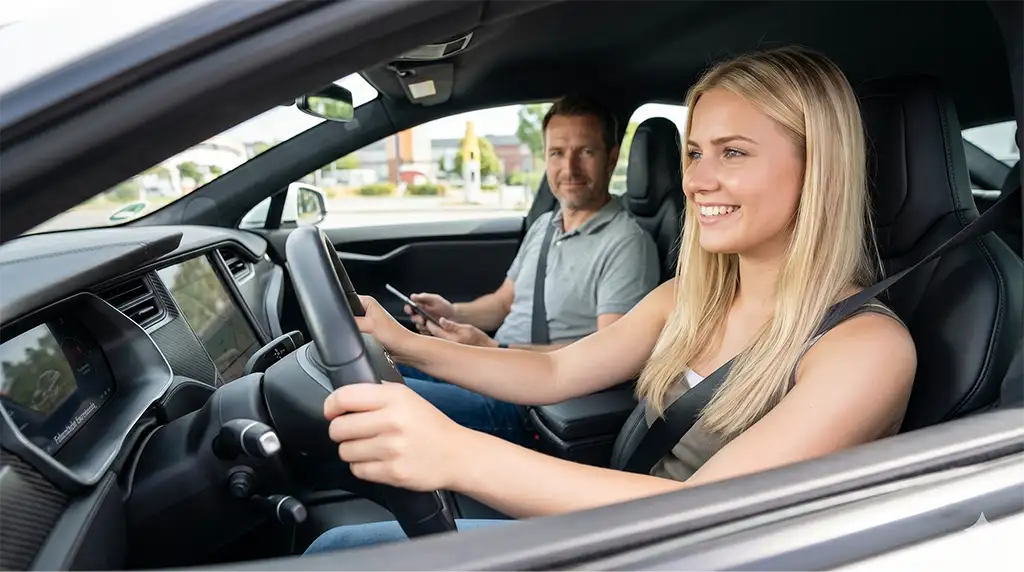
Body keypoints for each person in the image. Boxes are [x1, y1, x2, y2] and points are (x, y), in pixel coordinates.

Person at [304, 46, 917, 553]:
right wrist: (407, 344)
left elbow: (706, 513)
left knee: (340, 551)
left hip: (684, 550)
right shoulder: (693, 294)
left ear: (818, 169)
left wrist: (456, 454)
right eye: (695, 152)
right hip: (620, 527)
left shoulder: (866, 348)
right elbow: (556, 369)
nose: (697, 181)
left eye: (733, 152)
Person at [395, 95, 661, 443]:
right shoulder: (545, 226)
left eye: (585, 152)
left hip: (531, 400)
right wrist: (453, 312)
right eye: (557, 153)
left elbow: (609, 357)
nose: (570, 169)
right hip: (493, 367)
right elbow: (504, 303)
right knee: (375, 361)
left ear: (611, 160)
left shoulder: (627, 244)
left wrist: (496, 351)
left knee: (380, 396)